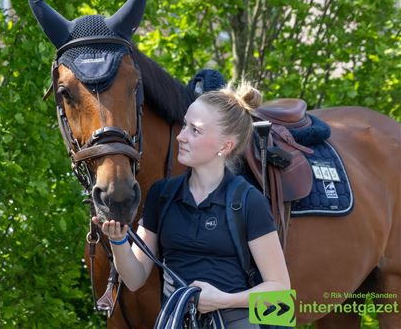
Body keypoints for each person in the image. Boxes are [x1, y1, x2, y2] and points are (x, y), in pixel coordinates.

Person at [93, 80, 290, 328]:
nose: (181, 136)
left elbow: (280, 292)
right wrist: (118, 240)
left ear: (225, 146)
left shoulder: (249, 201)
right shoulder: (162, 195)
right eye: (184, 125)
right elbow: (134, 279)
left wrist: (222, 300)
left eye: (194, 130)